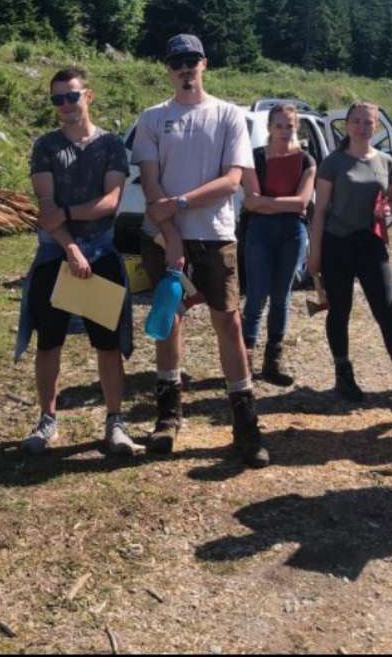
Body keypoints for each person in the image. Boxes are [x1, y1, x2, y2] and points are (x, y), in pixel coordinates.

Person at [132, 33, 269, 467]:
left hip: (216, 235)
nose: (185, 68)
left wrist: (182, 203)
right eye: (177, 62)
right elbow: (151, 184)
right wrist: (171, 230)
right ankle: (168, 417)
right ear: (168, 69)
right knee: (168, 322)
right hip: (167, 237)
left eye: (192, 60)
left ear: (204, 64)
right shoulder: (153, 119)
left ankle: (246, 426)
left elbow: (234, 181)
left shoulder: (229, 116)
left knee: (228, 325)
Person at [15, 67, 138, 456]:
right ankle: (47, 420)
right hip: (57, 254)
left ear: (89, 95)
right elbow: (46, 210)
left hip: (101, 253)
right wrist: (70, 248)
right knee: (48, 341)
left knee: (107, 344)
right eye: (57, 99)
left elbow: (110, 203)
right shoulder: (46, 147)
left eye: (71, 96)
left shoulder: (112, 145)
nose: (65, 105)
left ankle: (115, 421)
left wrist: (64, 216)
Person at [307, 101, 392, 412]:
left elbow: (391, 201)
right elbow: (320, 212)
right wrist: (314, 254)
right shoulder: (333, 163)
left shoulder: (386, 161)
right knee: (339, 310)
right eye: (356, 121)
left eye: (368, 122)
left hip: (372, 244)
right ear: (347, 125)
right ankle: (344, 374)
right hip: (337, 244)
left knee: (387, 310)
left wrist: (386, 208)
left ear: (377, 126)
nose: (362, 127)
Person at [240, 103, 316, 387]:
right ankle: (244, 361)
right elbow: (250, 200)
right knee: (257, 295)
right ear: (269, 127)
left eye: (290, 126)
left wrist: (266, 203)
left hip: (293, 233)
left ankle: (273, 361)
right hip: (260, 231)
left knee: (281, 297)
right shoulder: (255, 158)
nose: (285, 131)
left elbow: (302, 202)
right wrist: (282, 205)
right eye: (279, 125)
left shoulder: (307, 160)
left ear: (297, 127)